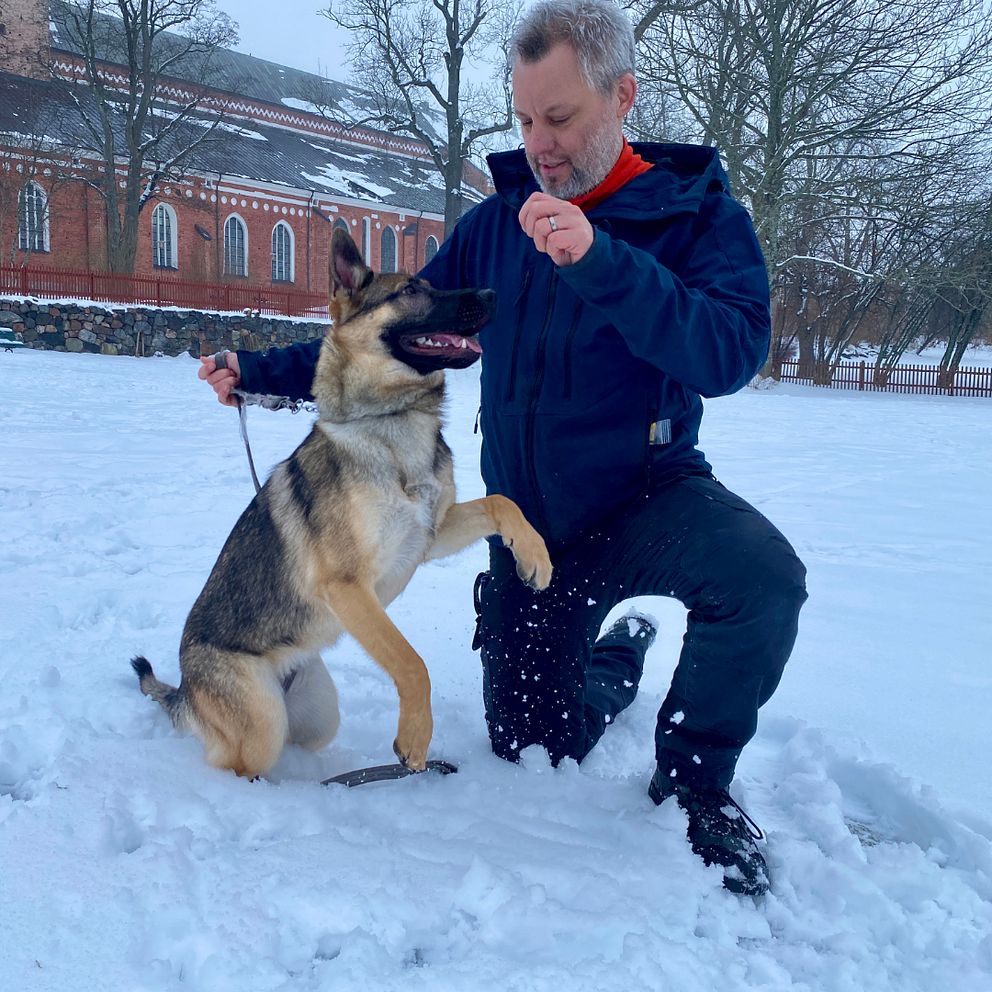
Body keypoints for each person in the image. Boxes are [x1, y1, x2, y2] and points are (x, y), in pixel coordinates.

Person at [199, 0, 807, 896]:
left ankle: (699, 788)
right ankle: (617, 655)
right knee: (532, 742)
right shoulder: (502, 221)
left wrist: (604, 259)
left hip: (651, 491)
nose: (538, 144)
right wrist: (258, 369)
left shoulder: (695, 214)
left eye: (558, 118)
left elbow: (728, 351)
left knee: (763, 578)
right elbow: (389, 328)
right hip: (532, 517)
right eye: (524, 119)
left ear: (622, 95)